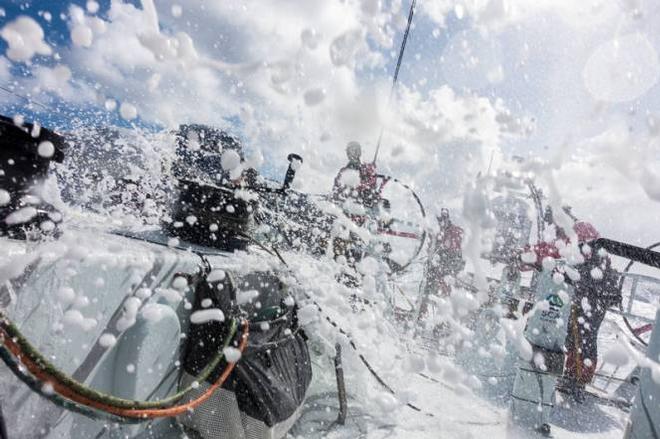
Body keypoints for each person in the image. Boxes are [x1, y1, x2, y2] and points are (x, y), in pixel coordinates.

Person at [332, 141, 379, 208]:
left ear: (359, 153)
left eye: (355, 151)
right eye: (349, 152)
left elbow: (372, 184)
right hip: (346, 205)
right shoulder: (343, 171)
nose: (352, 154)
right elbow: (336, 187)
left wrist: (371, 172)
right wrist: (335, 195)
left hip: (365, 205)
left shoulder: (366, 168)